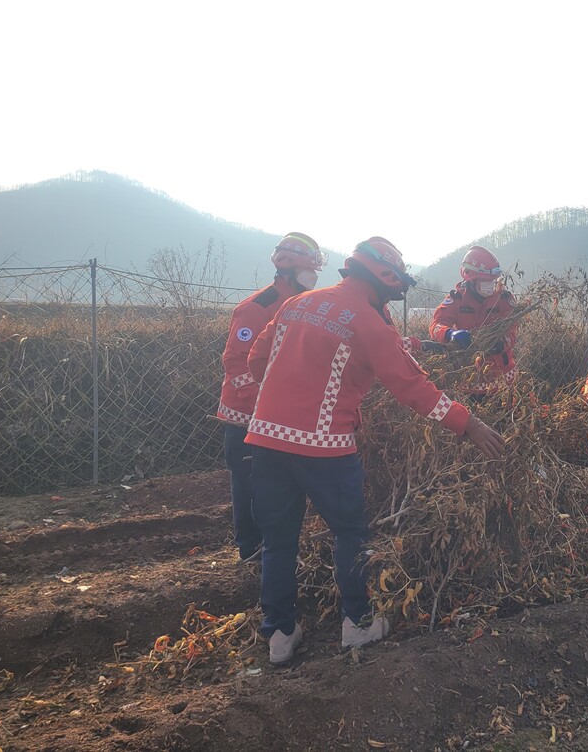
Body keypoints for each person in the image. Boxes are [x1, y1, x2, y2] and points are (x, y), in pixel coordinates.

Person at [244, 236, 505, 664]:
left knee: (278, 542)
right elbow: (412, 387)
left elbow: (257, 362)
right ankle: (358, 625)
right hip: (324, 447)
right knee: (349, 535)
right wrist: (468, 424)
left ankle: (279, 634)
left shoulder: (295, 306)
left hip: (266, 440)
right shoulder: (367, 321)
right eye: (396, 284)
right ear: (384, 277)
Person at [216, 232, 325, 564]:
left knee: (276, 484)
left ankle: (275, 547)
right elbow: (236, 362)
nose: (314, 277)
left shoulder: (306, 304)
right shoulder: (257, 308)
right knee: (250, 483)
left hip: (280, 414)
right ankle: (251, 551)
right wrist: (263, 401)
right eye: (310, 269)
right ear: (290, 267)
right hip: (247, 416)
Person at [429, 245, 519, 395]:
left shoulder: (503, 299)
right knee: (472, 415)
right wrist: (450, 334)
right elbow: (436, 325)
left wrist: (502, 343)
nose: (491, 285)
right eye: (485, 281)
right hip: (469, 377)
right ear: (471, 279)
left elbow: (512, 329)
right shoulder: (457, 299)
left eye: (493, 281)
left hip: (504, 376)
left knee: (510, 413)